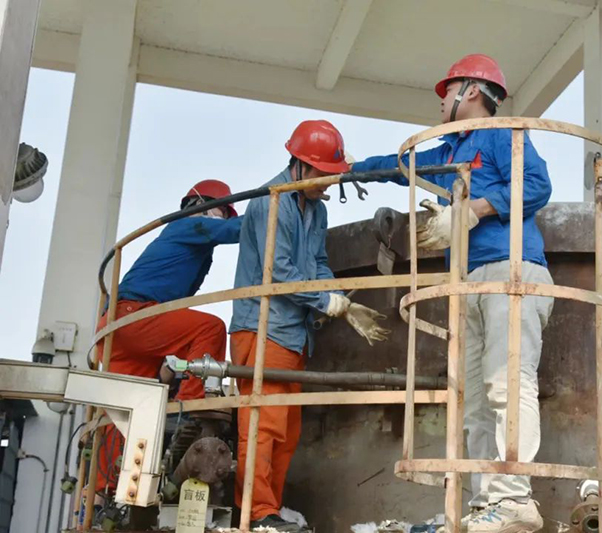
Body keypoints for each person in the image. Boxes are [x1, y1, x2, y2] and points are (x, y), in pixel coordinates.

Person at [351, 54, 553, 532]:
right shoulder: (446, 152)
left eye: (447, 90)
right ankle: (489, 505)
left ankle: (514, 499)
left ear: (472, 91)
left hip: (512, 272)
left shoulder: (503, 134)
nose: (441, 100)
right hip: (470, 281)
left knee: (507, 384)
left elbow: (537, 185)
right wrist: (349, 168)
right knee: (475, 400)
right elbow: (400, 165)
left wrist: (474, 210)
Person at [230, 120, 389, 532]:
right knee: (262, 426)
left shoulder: (316, 209)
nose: (329, 182)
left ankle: (269, 511)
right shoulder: (271, 202)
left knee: (286, 432)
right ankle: (255, 512)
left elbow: (316, 263)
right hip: (262, 327)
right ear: (299, 164)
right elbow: (279, 271)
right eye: (323, 172)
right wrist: (325, 302)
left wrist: (341, 301)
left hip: (294, 334)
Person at [94, 179, 242, 493]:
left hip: (119, 328)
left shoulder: (192, 244)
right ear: (202, 206)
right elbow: (237, 230)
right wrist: (277, 205)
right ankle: (190, 407)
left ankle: (104, 492)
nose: (223, 219)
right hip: (135, 316)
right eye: (223, 212)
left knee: (124, 413)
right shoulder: (187, 226)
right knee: (210, 328)